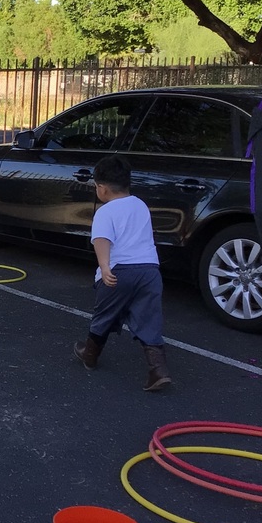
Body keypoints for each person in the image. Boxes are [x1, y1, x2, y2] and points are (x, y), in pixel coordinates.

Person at [73, 155, 172, 391]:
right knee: (148, 318)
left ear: (102, 188)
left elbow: (101, 239)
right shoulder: (140, 205)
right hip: (149, 271)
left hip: (120, 271)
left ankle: (90, 354)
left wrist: (105, 267)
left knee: (105, 314)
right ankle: (158, 369)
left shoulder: (105, 212)